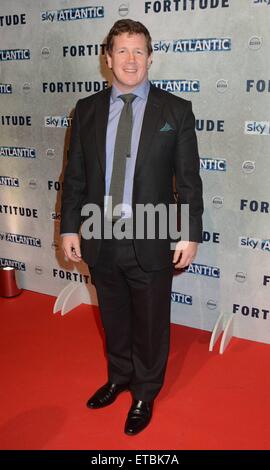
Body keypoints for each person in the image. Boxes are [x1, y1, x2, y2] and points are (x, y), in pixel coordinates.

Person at [60, 19, 203, 436]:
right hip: (99, 234)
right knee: (115, 315)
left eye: (138, 51)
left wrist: (190, 232)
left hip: (152, 234)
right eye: (121, 51)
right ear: (107, 59)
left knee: (152, 320)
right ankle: (119, 376)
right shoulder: (85, 110)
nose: (130, 59)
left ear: (150, 58)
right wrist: (70, 228)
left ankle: (145, 390)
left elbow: (189, 179)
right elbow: (75, 177)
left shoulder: (175, 110)